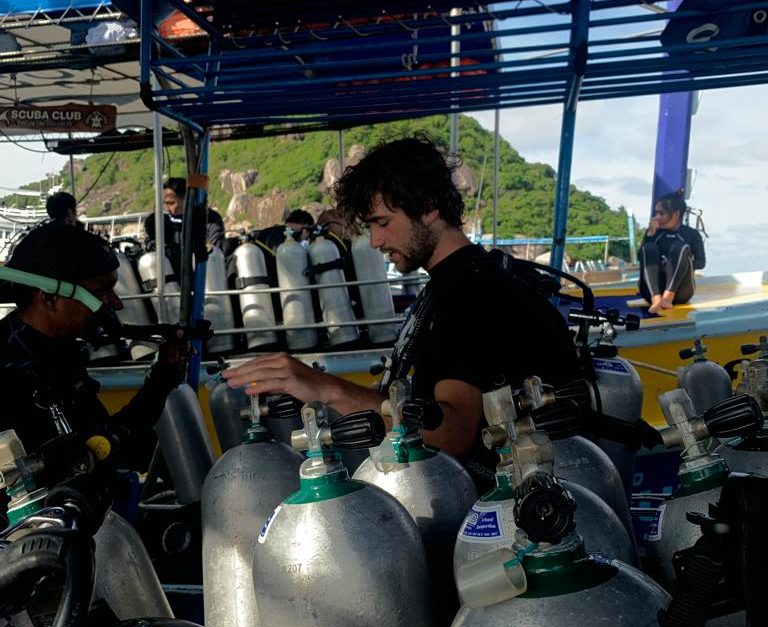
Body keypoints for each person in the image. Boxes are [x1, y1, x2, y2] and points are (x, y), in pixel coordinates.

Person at [224, 134, 579, 491]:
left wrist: (323, 388)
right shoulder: (457, 283)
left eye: (382, 222)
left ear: (428, 206)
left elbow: (451, 433)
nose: (375, 241)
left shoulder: (471, 295)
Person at [0, 223, 188, 472]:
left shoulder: (59, 350)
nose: (117, 304)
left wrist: (163, 375)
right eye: (102, 292)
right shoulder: (11, 372)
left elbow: (104, 440)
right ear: (49, 298)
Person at [638, 191, 706, 313]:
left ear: (676, 215)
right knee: (649, 247)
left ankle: (668, 297)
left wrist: (672, 266)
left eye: (661, 213)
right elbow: (641, 259)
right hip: (652, 291)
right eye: (656, 213)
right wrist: (649, 236)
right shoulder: (654, 233)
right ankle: (657, 299)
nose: (656, 217)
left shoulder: (691, 234)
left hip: (680, 292)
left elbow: (701, 263)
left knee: (681, 247)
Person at [144, 177, 226, 273]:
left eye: (171, 203)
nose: (167, 208)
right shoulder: (162, 223)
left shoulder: (210, 220)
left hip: (206, 276)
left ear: (186, 199)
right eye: (165, 203)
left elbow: (214, 252)